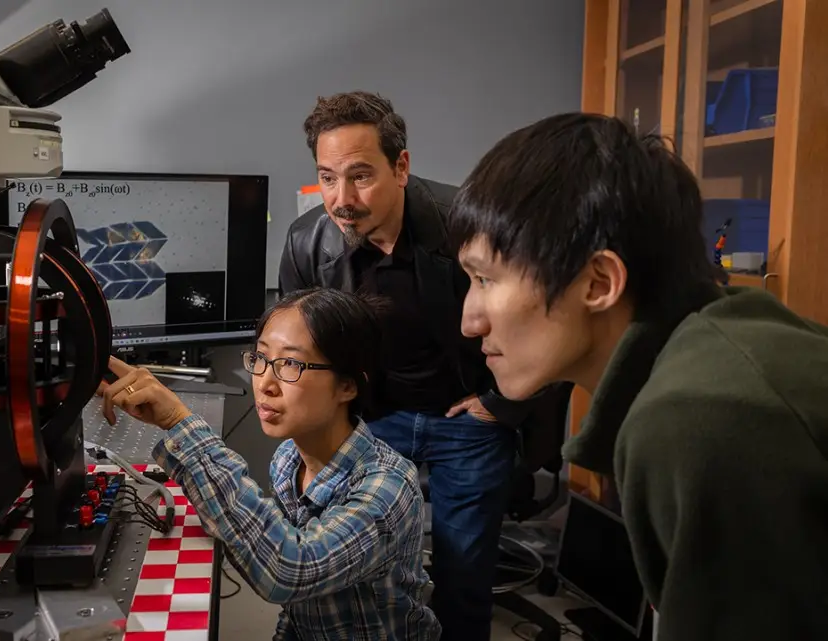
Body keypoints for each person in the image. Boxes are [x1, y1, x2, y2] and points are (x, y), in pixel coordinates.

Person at [446, 112, 828, 641]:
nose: (470, 321)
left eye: (486, 279)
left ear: (599, 282)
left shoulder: (703, 416)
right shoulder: (711, 342)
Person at [278, 90, 563, 641]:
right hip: (372, 419)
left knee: (462, 576)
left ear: (401, 166)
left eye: (360, 176)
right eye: (327, 178)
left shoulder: (469, 227)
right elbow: (300, 343)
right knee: (352, 569)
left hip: (467, 421)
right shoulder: (307, 242)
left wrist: (499, 405)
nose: (341, 199)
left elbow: (542, 324)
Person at [99, 287, 440, 641]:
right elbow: (298, 609)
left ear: (348, 385)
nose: (266, 383)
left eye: (291, 363)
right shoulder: (288, 460)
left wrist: (178, 422)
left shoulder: (388, 486)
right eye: (260, 359)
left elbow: (289, 571)